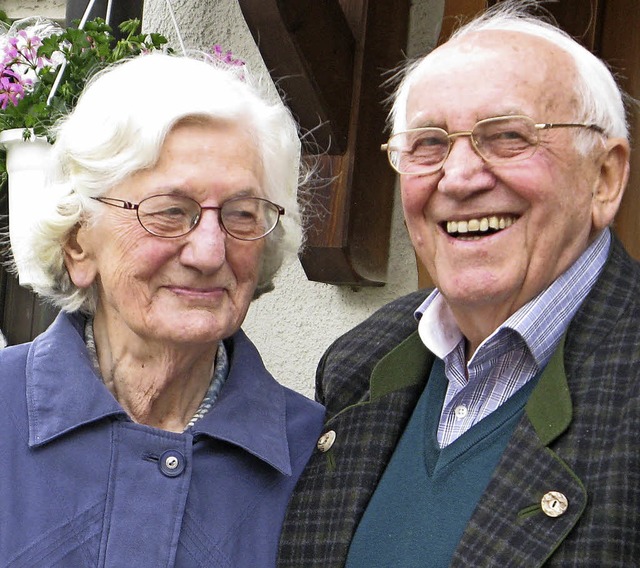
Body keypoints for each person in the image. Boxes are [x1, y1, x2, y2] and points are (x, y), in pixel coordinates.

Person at [278, 2, 639, 566]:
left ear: (605, 177)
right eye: (427, 144)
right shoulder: (359, 363)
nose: (460, 177)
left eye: (508, 136)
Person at [0, 51, 324, 567]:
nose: (209, 252)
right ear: (79, 242)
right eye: (171, 212)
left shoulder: (317, 455)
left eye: (242, 215)